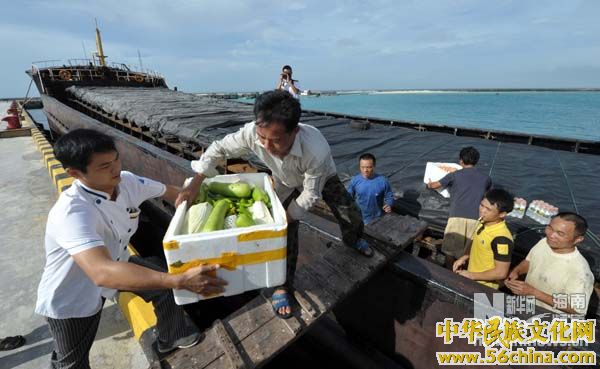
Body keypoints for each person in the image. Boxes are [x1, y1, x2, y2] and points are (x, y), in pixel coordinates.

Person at [35, 129, 227, 368]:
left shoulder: (127, 182)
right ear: (74, 173)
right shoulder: (72, 212)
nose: (115, 168)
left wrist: (209, 195)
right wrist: (179, 280)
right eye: (104, 166)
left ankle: (171, 336)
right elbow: (101, 272)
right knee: (72, 362)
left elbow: (174, 193)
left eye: (116, 159)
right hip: (73, 294)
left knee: (163, 285)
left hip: (118, 260)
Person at [177, 90, 373, 319]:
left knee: (349, 212)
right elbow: (219, 148)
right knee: (286, 235)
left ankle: (353, 238)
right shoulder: (252, 133)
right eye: (262, 138)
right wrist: (197, 181)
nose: (267, 146)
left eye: (276, 140)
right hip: (282, 178)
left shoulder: (316, 151)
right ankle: (282, 286)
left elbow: (310, 194)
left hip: (321, 178)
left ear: (295, 131)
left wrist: (285, 218)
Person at [505, 212, 594, 316]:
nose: (551, 235)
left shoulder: (580, 272)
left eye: (560, 234)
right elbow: (529, 261)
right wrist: (517, 271)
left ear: (578, 239)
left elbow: (576, 308)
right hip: (526, 309)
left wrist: (534, 293)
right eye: (550, 228)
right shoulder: (544, 243)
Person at [427, 147, 491, 265]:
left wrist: (429, 184)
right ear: (476, 161)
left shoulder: (454, 175)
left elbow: (435, 185)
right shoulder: (486, 178)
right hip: (476, 219)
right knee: (468, 251)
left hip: (456, 217)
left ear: (461, 161)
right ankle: (463, 273)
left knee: (450, 250)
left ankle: (450, 272)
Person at [453, 189, 514, 289]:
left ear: (502, 214)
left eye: (488, 209)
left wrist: (471, 275)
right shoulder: (483, 222)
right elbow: (474, 240)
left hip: (484, 287)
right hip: (470, 279)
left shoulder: (502, 239)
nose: (482, 211)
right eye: (482, 205)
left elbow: (501, 273)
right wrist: (464, 257)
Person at [347, 153, 394, 224]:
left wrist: (389, 204)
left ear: (374, 166)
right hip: (360, 218)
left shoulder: (382, 181)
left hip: (378, 218)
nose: (365, 170)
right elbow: (349, 197)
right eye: (362, 167)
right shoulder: (355, 180)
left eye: (368, 167)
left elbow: (389, 196)